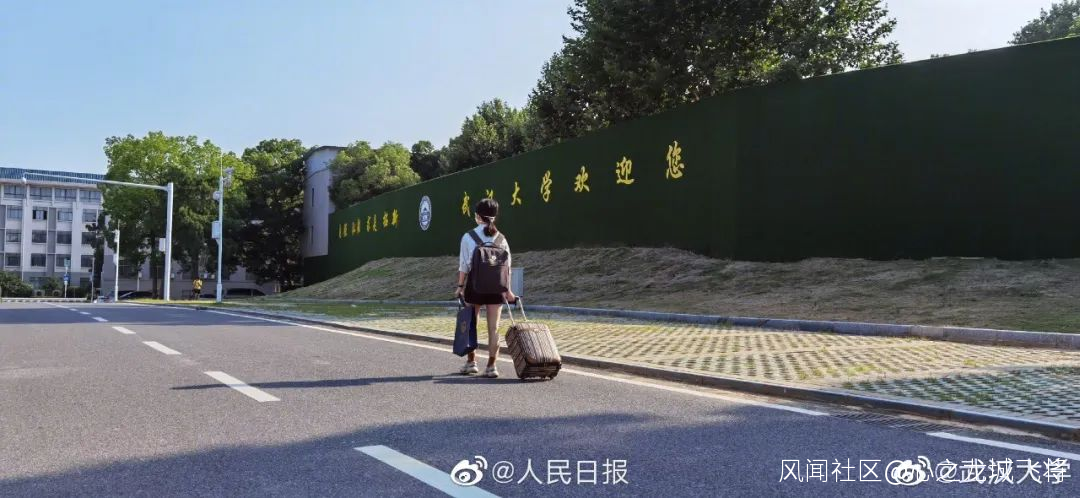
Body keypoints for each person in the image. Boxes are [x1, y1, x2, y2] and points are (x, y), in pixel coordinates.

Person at [455, 198, 516, 378]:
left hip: (474, 287)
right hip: (497, 288)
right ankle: (491, 366)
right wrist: (508, 290)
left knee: (470, 324)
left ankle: (471, 363)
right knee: (494, 328)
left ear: (477, 216)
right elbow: (507, 268)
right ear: (494, 216)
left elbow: (464, 266)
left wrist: (460, 286)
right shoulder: (501, 238)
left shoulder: (468, 237)